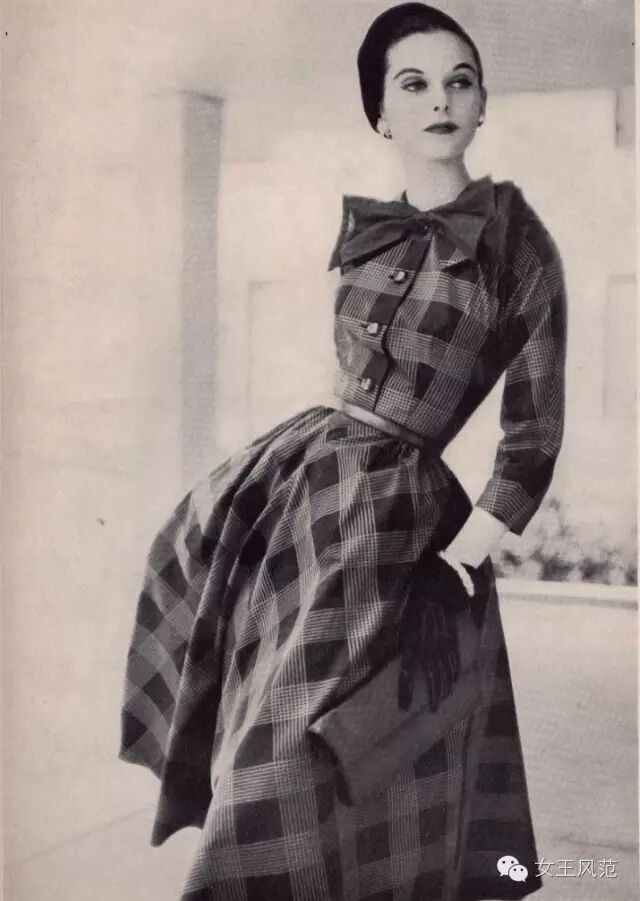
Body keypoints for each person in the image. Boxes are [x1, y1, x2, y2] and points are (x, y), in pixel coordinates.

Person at [120, 3, 567, 899]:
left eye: (460, 82)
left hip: (401, 534)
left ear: (482, 104)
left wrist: (456, 565)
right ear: (381, 114)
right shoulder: (370, 232)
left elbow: (532, 439)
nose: (440, 101)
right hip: (301, 499)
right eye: (414, 84)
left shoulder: (520, 247)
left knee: (326, 759)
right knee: (256, 720)